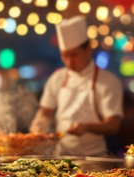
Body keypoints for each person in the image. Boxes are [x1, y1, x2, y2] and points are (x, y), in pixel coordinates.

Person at [29, 16, 124, 156]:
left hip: (93, 158)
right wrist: (39, 125)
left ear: (89, 49)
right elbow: (45, 113)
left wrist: (86, 127)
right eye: (64, 56)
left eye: (74, 55)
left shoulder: (108, 81)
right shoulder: (57, 78)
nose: (68, 62)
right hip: (60, 156)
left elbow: (113, 125)